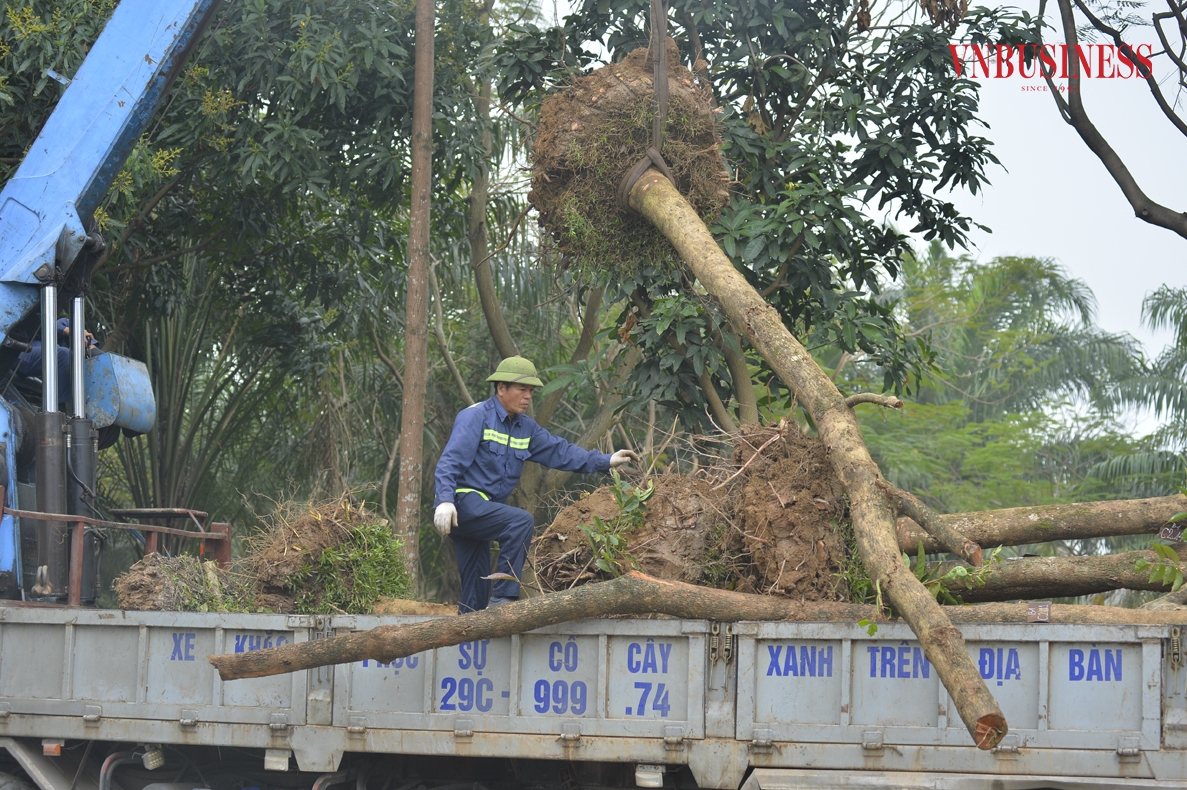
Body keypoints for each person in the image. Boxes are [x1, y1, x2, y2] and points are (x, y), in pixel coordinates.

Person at [433, 356, 639, 613]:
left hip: (485, 513)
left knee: (476, 593)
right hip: (461, 505)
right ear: (501, 388)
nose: (528, 396)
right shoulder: (476, 417)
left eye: (531, 391)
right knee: (520, 521)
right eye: (522, 389)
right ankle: (505, 599)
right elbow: (450, 462)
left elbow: (562, 452)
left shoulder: (525, 428)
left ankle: (471, 627)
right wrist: (444, 500)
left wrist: (606, 460)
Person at [16, 317, 97, 407]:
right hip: (18, 351)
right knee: (63, 354)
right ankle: (62, 408)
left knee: (68, 322)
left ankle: (92, 349)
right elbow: (28, 326)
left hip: (41, 347)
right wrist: (66, 330)